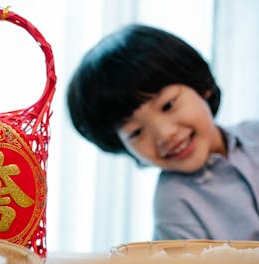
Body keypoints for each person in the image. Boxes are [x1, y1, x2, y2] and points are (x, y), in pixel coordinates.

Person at [67, 23, 259, 241]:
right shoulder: (174, 203)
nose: (165, 134)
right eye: (136, 132)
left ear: (200, 87)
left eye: (168, 105)